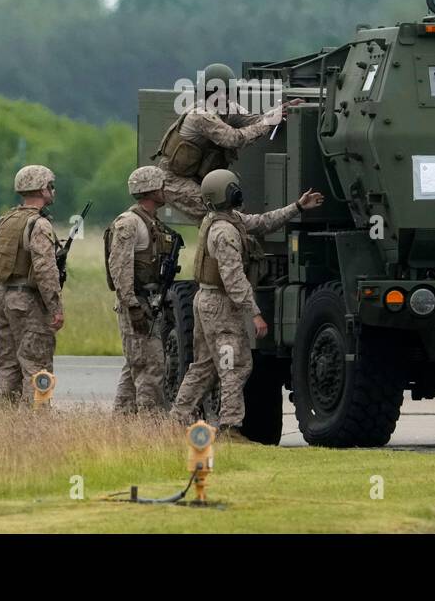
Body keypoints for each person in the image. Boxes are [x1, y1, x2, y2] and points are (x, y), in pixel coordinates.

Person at [170, 169, 325, 439]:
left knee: (205, 366)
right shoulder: (225, 232)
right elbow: (233, 277)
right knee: (235, 364)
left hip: (208, 301)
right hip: (220, 305)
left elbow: (262, 222)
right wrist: (254, 313)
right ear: (230, 193)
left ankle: (176, 420)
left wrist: (297, 206)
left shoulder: (221, 220)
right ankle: (230, 428)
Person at [153, 62, 298, 219]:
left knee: (228, 212)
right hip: (175, 180)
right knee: (217, 213)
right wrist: (268, 122)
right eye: (217, 92)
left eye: (228, 92)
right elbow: (234, 139)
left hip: (196, 179)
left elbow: (255, 121)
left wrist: (279, 111)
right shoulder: (201, 116)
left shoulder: (229, 109)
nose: (224, 97)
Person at [0, 164, 63, 404]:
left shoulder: (5, 221)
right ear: (42, 190)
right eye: (51, 186)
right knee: (37, 366)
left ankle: (1, 421)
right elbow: (45, 270)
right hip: (27, 301)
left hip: (3, 297)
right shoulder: (39, 225)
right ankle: (37, 422)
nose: (53, 191)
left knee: (8, 365)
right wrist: (55, 307)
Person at [105, 165, 176, 414]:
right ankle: (150, 422)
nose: (165, 189)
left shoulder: (150, 222)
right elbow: (120, 266)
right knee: (150, 367)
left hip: (149, 302)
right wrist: (132, 305)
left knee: (136, 364)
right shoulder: (130, 223)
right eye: (161, 185)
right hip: (137, 304)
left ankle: (123, 420)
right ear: (150, 189)